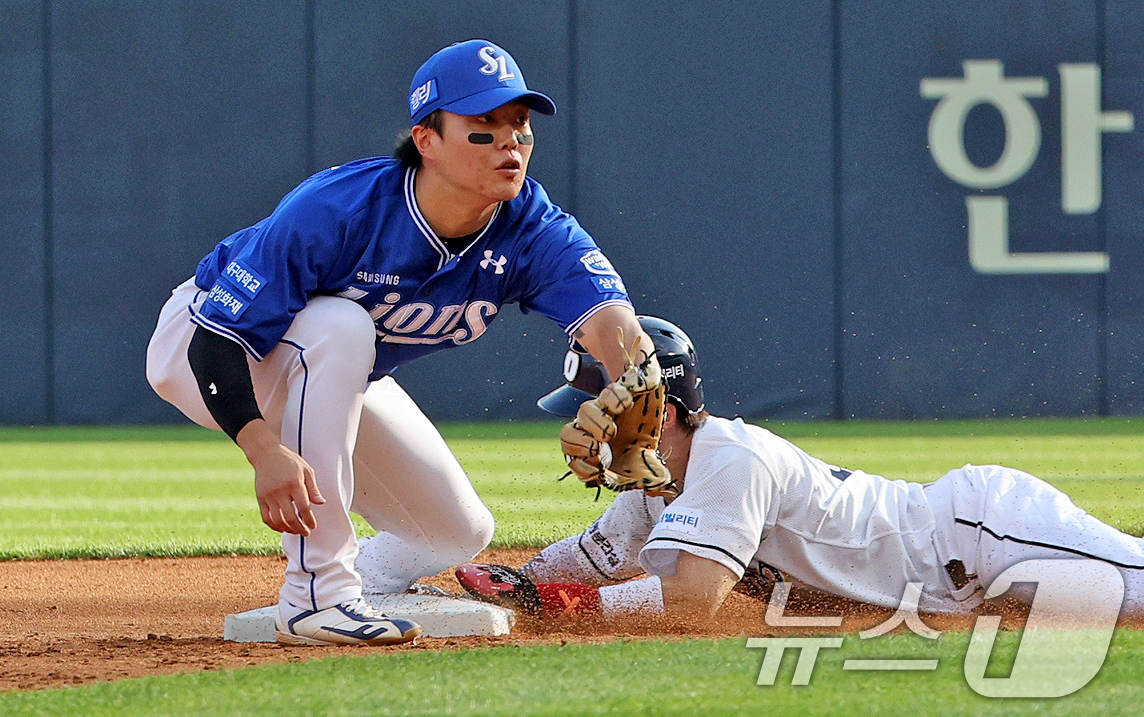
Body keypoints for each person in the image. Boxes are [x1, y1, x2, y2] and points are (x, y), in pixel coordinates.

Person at [146, 39, 656, 646]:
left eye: (519, 124)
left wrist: (635, 389)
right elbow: (216, 342)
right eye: (482, 127)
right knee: (341, 325)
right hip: (205, 347)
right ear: (426, 140)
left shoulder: (533, 227)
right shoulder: (337, 209)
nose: (508, 143)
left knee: (453, 532)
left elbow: (615, 326)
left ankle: (371, 581)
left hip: (329, 372)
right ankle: (316, 597)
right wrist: (263, 450)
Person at [456, 316, 1144, 624]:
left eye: (600, 406)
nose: (587, 424)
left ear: (657, 411)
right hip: (958, 587)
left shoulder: (731, 459)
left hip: (977, 530)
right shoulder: (656, 486)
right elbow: (594, 553)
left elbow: (696, 599)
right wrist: (524, 580)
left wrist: (560, 607)